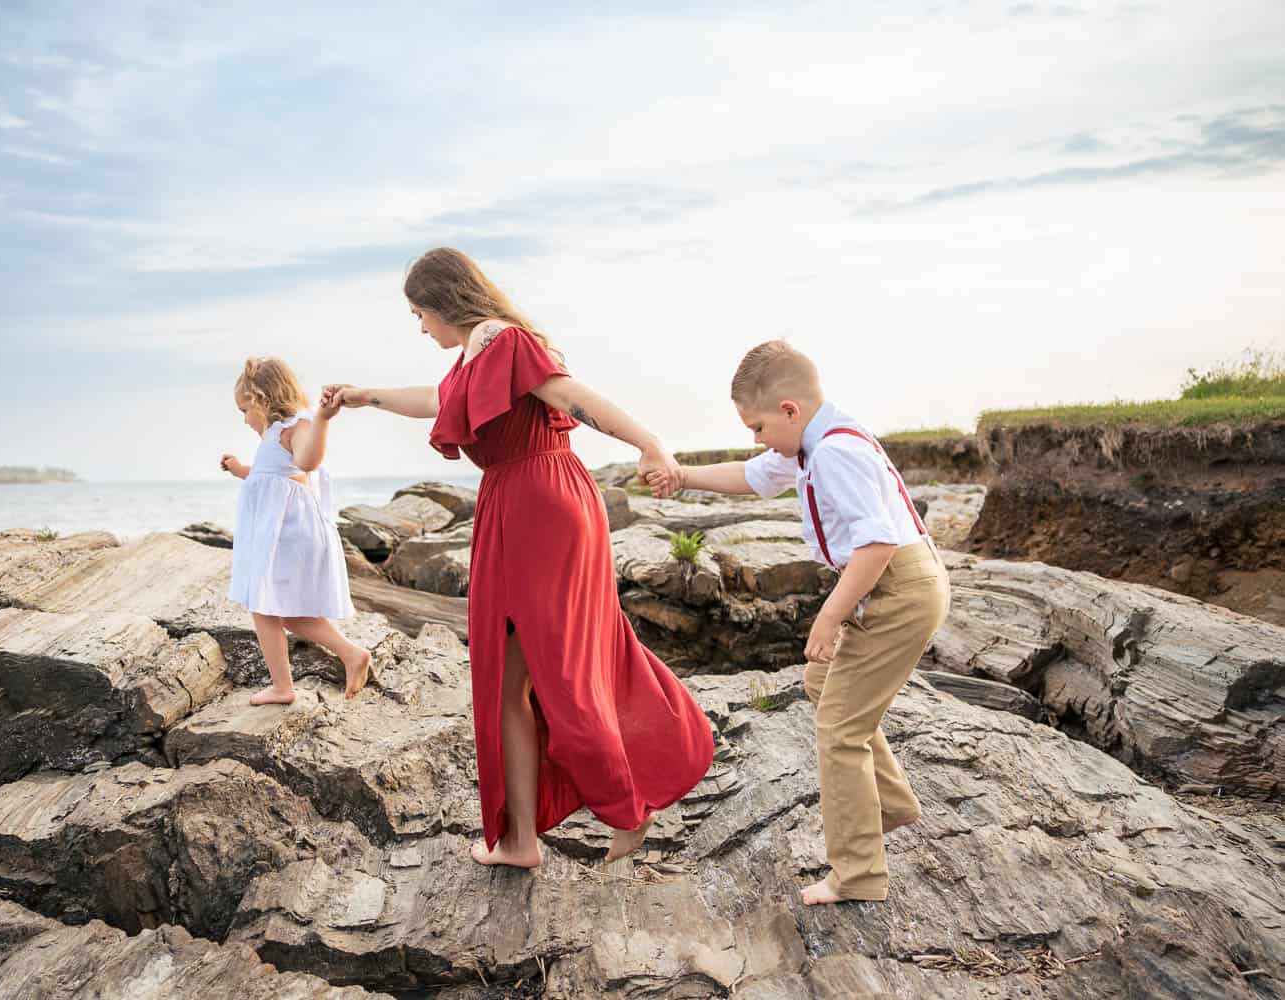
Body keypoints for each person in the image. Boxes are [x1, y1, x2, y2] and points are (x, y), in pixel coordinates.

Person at [323, 247, 714, 868]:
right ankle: (520, 840)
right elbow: (437, 399)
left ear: (442, 302)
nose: (420, 327)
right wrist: (365, 396)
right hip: (514, 504)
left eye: (419, 313)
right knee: (509, 681)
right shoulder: (474, 356)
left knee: (564, 667)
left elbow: (572, 395)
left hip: (542, 506)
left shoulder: (502, 339)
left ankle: (630, 803)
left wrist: (650, 443)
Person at [650, 339, 950, 904]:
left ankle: (857, 874)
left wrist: (829, 617)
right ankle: (889, 804)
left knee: (841, 730)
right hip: (893, 585)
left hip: (899, 589)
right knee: (822, 685)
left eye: (758, 427)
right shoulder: (811, 444)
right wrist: (682, 477)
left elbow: (878, 541)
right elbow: (751, 475)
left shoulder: (834, 452)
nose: (756, 439)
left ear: (789, 410)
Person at [222, 357, 370, 705]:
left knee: (265, 605)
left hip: (288, 535)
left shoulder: (297, 425)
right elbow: (269, 477)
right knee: (283, 610)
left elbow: (307, 462)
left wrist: (321, 420)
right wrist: (239, 469)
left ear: (261, 398)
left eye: (244, 409)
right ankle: (350, 654)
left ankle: (283, 686)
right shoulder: (274, 434)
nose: (244, 420)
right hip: (282, 535)